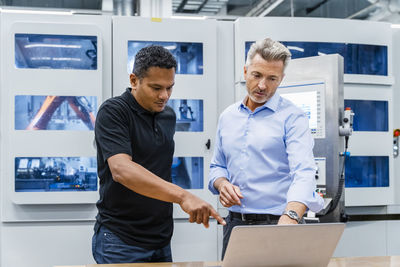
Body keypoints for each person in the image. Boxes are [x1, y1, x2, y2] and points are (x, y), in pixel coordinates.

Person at [92, 45, 225, 264]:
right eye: (156, 88)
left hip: (161, 237)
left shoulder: (168, 116)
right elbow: (121, 170)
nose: (164, 96)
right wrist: (183, 196)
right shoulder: (114, 111)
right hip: (120, 240)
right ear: (134, 80)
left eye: (169, 88)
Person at [208, 38, 324, 259]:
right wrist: (221, 183)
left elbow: (304, 172)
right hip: (235, 225)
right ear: (245, 71)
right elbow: (217, 165)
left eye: (272, 78)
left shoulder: (293, 117)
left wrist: (290, 217)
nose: (262, 86)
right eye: (257, 75)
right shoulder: (228, 116)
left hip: (278, 223)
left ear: (281, 79)